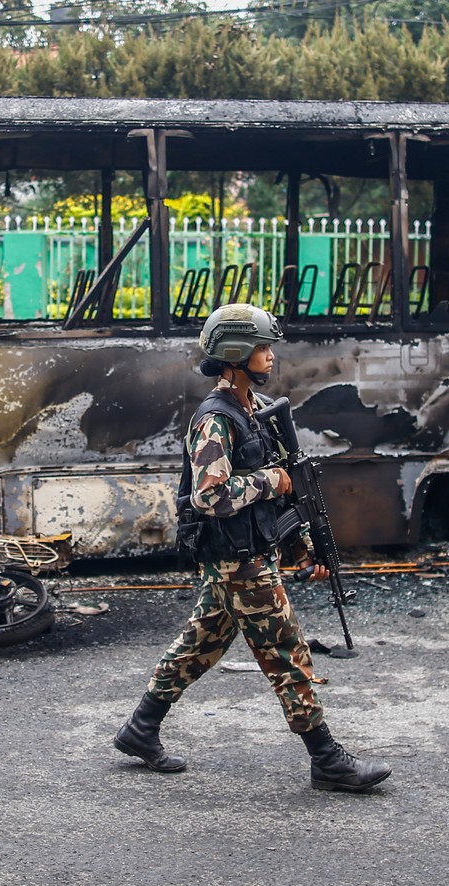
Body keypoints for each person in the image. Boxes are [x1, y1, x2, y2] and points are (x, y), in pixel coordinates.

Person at [113, 303, 391, 793]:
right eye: (262, 347)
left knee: (202, 642)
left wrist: (303, 545)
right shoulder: (215, 420)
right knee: (286, 651)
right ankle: (327, 760)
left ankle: (140, 728)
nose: (270, 356)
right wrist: (271, 480)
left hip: (245, 554)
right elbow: (211, 495)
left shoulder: (255, 412)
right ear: (235, 353)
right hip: (236, 560)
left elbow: (283, 495)